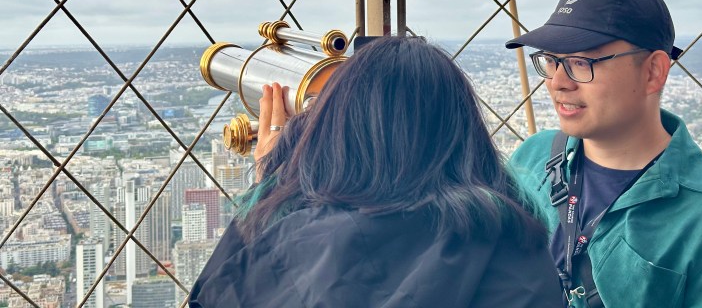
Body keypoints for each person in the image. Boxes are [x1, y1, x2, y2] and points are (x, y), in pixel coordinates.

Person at [190, 36, 561, 307]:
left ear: (335, 129)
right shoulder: (515, 243)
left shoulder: (300, 243)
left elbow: (218, 295)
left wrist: (272, 186)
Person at [505, 0, 702, 308]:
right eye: (551, 60)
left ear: (653, 72)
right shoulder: (531, 157)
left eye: (581, 62)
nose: (558, 82)